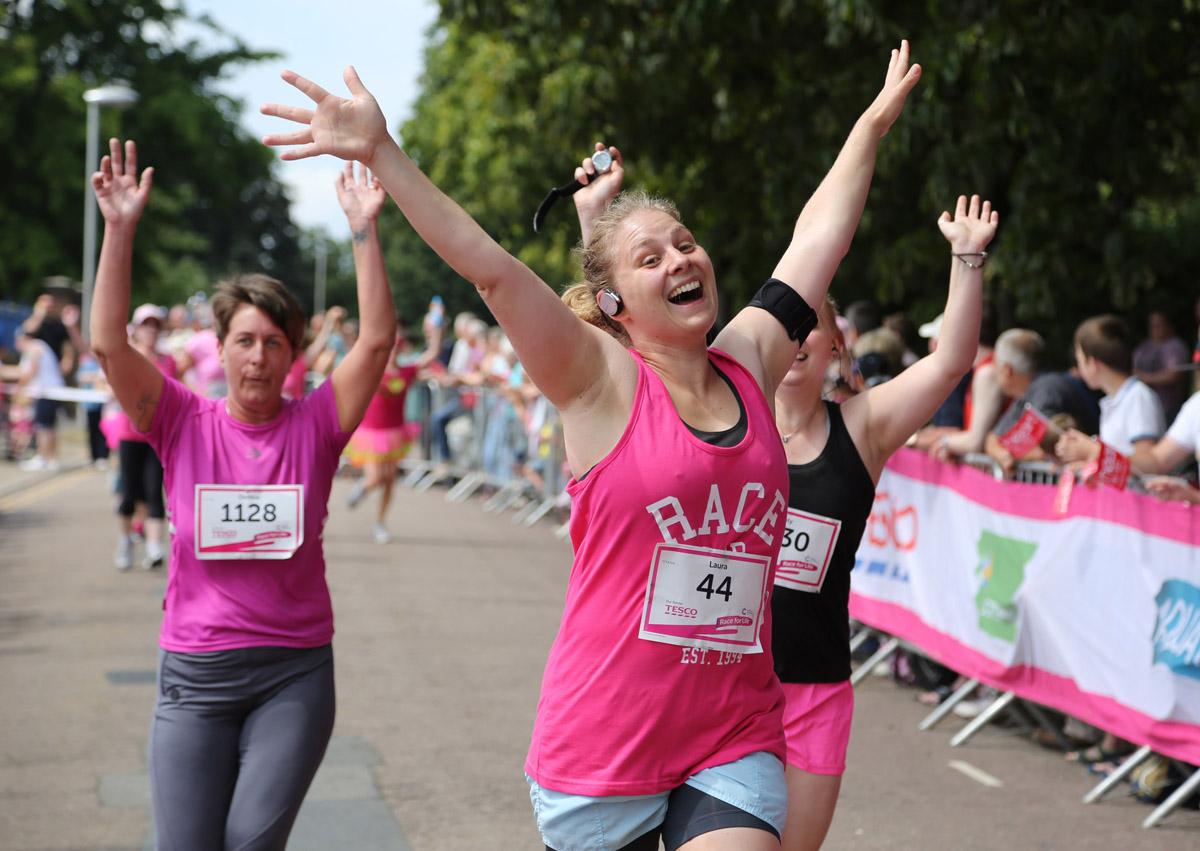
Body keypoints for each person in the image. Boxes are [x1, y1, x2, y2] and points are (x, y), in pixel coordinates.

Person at [262, 39, 920, 850]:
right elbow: (493, 271)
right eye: (651, 257)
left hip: (732, 733)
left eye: (683, 243)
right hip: (603, 750)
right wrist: (384, 154)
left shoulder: (750, 357)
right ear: (613, 301)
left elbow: (818, 240)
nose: (681, 258)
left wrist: (871, 125)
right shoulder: (596, 378)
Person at [89, 138, 395, 850]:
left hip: (293, 676)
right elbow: (108, 341)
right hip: (194, 678)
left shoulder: (317, 424)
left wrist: (363, 229)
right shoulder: (178, 418)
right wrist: (119, 229)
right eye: (245, 340)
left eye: (275, 343)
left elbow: (376, 340)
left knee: (251, 843)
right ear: (218, 348)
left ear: (294, 357)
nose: (259, 356)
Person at [769, 196, 995, 850]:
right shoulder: (729, 421)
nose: (796, 337)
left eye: (811, 325)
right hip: (728, 683)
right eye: (782, 323)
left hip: (815, 690)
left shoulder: (862, 427)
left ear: (836, 344)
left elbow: (950, 360)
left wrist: (967, 257)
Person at [107, 304, 176, 570]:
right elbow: (112, 385)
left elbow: (177, 394)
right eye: (146, 324)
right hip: (130, 434)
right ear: (137, 329)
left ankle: (154, 547)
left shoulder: (168, 360)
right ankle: (125, 542)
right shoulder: (129, 357)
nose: (151, 330)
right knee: (129, 493)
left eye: (156, 325)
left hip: (157, 437)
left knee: (154, 491)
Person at [983, 329, 1100, 476]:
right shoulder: (1026, 393)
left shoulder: (1047, 389)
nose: (994, 372)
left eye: (996, 366)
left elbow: (1043, 450)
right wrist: (1003, 453)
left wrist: (1005, 453)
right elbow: (992, 439)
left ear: (1007, 370)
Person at [345, 323, 421, 544]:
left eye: (398, 347)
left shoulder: (408, 371)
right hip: (371, 433)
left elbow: (432, 354)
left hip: (396, 431)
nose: (394, 351)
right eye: (391, 347)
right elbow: (354, 352)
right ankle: (363, 488)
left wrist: (436, 330)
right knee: (377, 477)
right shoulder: (373, 370)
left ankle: (380, 523)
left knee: (389, 480)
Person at [1055, 314, 1165, 468]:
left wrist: (1093, 451)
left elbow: (1148, 462)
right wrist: (1085, 462)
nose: (1079, 369)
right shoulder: (1117, 399)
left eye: (1079, 360)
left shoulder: (1137, 397)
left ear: (1093, 363)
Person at [13, 325, 64, 470]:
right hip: (50, 391)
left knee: (43, 427)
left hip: (46, 392)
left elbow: (31, 372)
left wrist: (20, 388)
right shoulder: (39, 347)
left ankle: (43, 457)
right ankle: (52, 459)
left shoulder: (34, 347)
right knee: (49, 426)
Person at [1132, 309, 1189, 423]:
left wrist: (1144, 378)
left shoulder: (1176, 347)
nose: (1155, 328)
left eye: (1159, 325)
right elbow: (1131, 371)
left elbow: (1173, 375)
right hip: (1143, 406)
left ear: (1169, 325)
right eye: (1152, 325)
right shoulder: (1143, 347)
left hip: (1168, 407)